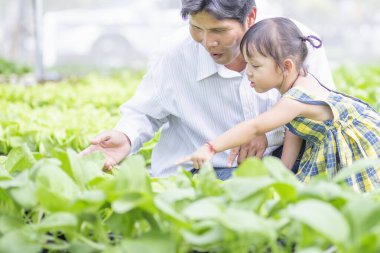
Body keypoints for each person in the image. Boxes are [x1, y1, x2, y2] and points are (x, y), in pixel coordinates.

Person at [80, 0, 335, 180]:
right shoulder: (175, 54)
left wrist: (270, 134)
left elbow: (318, 110)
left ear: (250, 17)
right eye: (196, 28)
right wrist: (125, 137)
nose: (207, 41)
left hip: (281, 159)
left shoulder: (294, 42)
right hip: (205, 171)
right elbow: (143, 112)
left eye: (219, 31)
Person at [179, 17, 380, 192]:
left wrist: (211, 147)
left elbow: (254, 127)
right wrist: (284, 173)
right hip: (347, 135)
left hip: (352, 144)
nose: (248, 72)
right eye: (247, 63)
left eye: (256, 66)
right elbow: (295, 130)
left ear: (286, 66)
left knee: (351, 195)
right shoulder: (298, 81)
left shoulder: (294, 99)